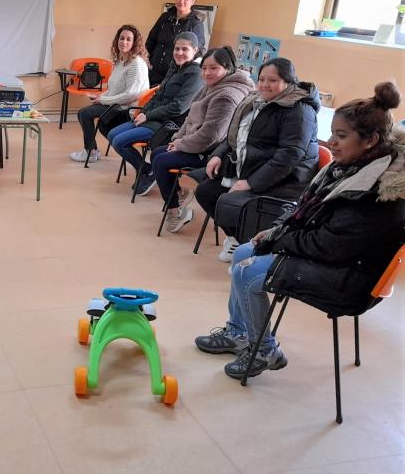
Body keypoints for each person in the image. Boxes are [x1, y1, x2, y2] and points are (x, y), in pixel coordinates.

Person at [194, 82, 404, 380]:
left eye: (341, 136)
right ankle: (239, 332)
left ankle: (264, 349)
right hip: (334, 257)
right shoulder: (352, 166)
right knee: (243, 252)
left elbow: (328, 245)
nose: (331, 141)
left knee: (248, 271)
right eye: (332, 133)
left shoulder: (376, 191)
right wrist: (275, 232)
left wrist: (277, 238)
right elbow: (304, 210)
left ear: (370, 141)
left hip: (351, 278)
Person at [194, 57, 320, 262]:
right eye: (261, 79)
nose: (264, 85)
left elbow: (289, 155)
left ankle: (253, 249)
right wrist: (217, 155)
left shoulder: (299, 110)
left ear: (289, 82)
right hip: (252, 167)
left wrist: (251, 183)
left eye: (272, 80)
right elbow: (235, 136)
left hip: (286, 180)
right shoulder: (258, 100)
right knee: (206, 191)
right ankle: (237, 237)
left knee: (228, 200)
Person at [148, 46, 255, 232]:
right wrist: (177, 140)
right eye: (204, 67)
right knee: (158, 151)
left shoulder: (227, 95)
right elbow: (189, 120)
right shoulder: (211, 87)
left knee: (161, 160)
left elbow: (211, 136)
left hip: (212, 153)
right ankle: (179, 194)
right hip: (196, 144)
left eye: (213, 68)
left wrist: (180, 144)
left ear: (228, 68)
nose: (206, 72)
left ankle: (174, 211)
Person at [106, 32, 204, 193]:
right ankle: (147, 169)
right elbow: (157, 94)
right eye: (176, 49)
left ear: (194, 50)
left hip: (168, 124)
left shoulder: (195, 74)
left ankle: (147, 171)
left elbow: (178, 107)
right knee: (112, 134)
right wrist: (142, 112)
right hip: (151, 118)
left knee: (119, 141)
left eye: (184, 49)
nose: (179, 53)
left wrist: (148, 115)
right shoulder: (175, 67)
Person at [69, 24, 149, 164]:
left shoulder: (137, 63)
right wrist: (101, 96)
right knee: (102, 123)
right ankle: (100, 149)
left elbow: (132, 95)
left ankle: (91, 152)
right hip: (117, 104)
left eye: (128, 39)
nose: (124, 42)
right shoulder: (120, 60)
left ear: (134, 43)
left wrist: (103, 100)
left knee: (84, 113)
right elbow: (114, 88)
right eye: (121, 38)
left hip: (127, 109)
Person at [146, 0, 207, 86]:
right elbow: (151, 40)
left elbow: (198, 51)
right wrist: (145, 58)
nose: (181, 1)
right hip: (152, 70)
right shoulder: (164, 17)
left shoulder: (196, 24)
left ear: (192, 2)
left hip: (173, 75)